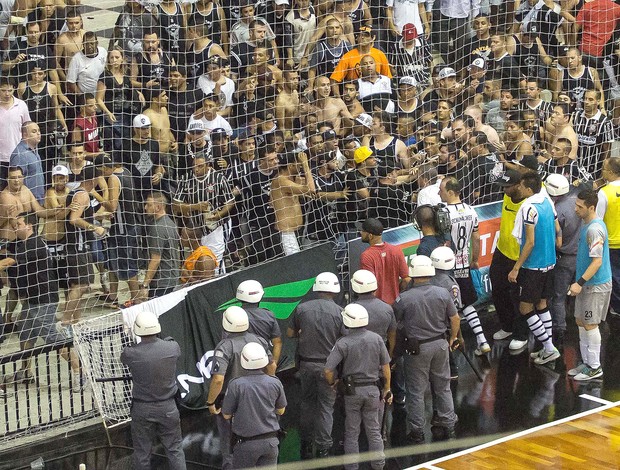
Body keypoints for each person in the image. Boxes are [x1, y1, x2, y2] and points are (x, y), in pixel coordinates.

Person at [393, 255, 460, 443]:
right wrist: (453, 338)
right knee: (443, 387)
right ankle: (449, 425)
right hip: (440, 345)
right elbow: (455, 319)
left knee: (415, 392)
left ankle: (417, 431)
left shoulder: (404, 298)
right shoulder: (442, 293)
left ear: (413, 275)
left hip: (417, 349)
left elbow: (394, 323)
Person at [324, 303, 392, 470]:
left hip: (351, 392)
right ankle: (378, 464)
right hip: (373, 390)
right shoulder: (376, 339)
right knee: (374, 430)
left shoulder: (343, 343)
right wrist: (387, 388)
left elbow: (328, 369)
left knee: (352, 432)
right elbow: (385, 367)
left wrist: (333, 383)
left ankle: (352, 466)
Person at [207, 306, 273, 470]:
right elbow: (271, 366)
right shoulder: (260, 341)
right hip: (259, 398)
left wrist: (210, 402)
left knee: (229, 447)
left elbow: (218, 379)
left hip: (230, 402)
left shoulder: (224, 347)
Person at [287, 272, 344, 459]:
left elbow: (289, 333)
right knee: (326, 407)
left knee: (307, 404)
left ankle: (305, 443)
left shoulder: (302, 309)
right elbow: (344, 340)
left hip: (306, 365)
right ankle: (323, 447)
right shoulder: (340, 312)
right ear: (334, 291)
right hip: (328, 367)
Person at [120, 311, 187, 470]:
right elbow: (172, 345)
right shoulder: (172, 347)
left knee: (142, 453)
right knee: (175, 449)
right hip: (168, 406)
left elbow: (124, 358)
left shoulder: (131, 352)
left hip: (142, 408)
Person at [508, 172, 562, 363]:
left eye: (521, 186)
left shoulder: (528, 207)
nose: (519, 189)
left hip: (533, 267)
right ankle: (548, 348)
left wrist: (516, 267)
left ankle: (548, 348)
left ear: (529, 189)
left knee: (525, 308)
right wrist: (558, 242)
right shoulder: (547, 202)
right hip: (550, 263)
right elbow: (557, 228)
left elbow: (529, 242)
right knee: (542, 304)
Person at [439, 176, 490, 355]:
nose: (439, 193)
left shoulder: (443, 212)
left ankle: (449, 346)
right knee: (467, 303)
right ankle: (482, 340)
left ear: (451, 192)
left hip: (446, 266)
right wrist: (475, 259)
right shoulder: (471, 210)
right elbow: (476, 238)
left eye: (442, 190)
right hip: (463, 263)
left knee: (446, 305)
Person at [566, 189, 612, 381]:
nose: (576, 209)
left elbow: (597, 262)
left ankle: (594, 367)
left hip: (594, 285)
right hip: (585, 284)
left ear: (591, 207)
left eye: (580, 207)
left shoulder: (594, 230)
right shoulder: (586, 223)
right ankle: (586, 363)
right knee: (580, 321)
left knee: (590, 324)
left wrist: (579, 283)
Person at [221, 342, 287, 469]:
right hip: (271, 443)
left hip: (246, 445)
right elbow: (281, 410)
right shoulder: (275, 382)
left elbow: (226, 414)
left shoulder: (236, 385)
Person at [490, 169, 530, 347]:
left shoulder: (529, 204)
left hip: (519, 257)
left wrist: (519, 265)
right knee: (497, 289)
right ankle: (507, 326)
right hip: (502, 251)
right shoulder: (507, 196)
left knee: (518, 297)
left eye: (507, 187)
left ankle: (522, 334)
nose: (504, 190)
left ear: (519, 186)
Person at [545, 174, 581, 342]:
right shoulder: (578, 201)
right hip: (580, 256)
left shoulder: (557, 210)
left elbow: (554, 239)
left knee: (557, 296)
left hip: (564, 257)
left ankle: (558, 328)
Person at [270, 150, 316, 255]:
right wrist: (305, 165)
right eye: (298, 164)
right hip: (286, 233)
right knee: (294, 267)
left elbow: (315, 191)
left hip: (298, 231)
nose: (300, 166)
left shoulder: (293, 179)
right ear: (290, 165)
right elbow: (311, 189)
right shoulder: (280, 181)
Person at [358, 218, 410, 305]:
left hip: (377, 306)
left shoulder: (367, 256)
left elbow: (368, 286)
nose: (361, 233)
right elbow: (406, 279)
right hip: (396, 305)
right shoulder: (396, 250)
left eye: (363, 231)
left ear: (370, 236)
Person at [142, 191, 181, 299]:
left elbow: (155, 260)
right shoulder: (170, 223)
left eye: (149, 205)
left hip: (161, 282)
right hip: (172, 278)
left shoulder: (157, 228)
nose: (145, 208)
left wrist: (144, 285)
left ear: (158, 207)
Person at [235, 279, 282, 364]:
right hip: (264, 363)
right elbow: (277, 343)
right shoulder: (269, 315)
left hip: (240, 364)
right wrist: (273, 367)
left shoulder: (234, 316)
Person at [596, 157, 620, 317]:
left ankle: (616, 308)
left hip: (611, 242)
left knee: (614, 276)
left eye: (604, 168)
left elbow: (597, 219)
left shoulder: (604, 193)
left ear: (611, 172)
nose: (602, 171)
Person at [9, 121, 44, 204]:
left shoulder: (34, 151)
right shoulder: (20, 154)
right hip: (27, 205)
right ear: (25, 135)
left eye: (39, 131)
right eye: (34, 131)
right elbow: (15, 182)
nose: (38, 133)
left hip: (37, 201)